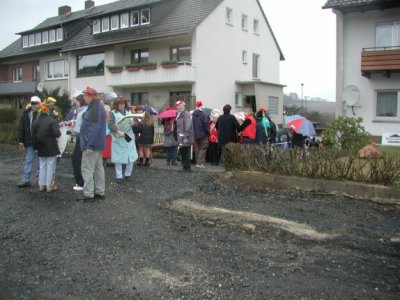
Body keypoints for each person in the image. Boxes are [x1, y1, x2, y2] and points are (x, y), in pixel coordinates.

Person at [78, 86, 106, 202]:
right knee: (98, 168)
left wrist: (90, 145)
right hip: (96, 143)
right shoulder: (97, 106)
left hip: (91, 144)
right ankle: (100, 192)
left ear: (91, 96)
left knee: (87, 168)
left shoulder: (95, 108)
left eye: (85, 95)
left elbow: (95, 128)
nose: (84, 97)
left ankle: (88, 194)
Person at [31, 102, 61, 192]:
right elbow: (57, 134)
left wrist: (35, 147)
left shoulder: (36, 122)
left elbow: (33, 136)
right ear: (47, 111)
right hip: (51, 146)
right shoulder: (52, 121)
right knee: (51, 166)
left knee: (42, 166)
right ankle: (49, 186)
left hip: (40, 146)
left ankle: (42, 185)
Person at [108, 96, 138, 183]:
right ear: (116, 105)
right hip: (119, 137)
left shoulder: (129, 112)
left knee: (130, 156)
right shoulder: (113, 113)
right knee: (118, 157)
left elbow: (135, 122)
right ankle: (119, 176)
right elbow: (110, 125)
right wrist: (117, 131)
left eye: (123, 103)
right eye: (120, 104)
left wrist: (134, 123)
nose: (122, 105)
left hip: (129, 136)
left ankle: (128, 174)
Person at [17, 96, 41, 187]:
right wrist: (21, 140)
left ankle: (39, 180)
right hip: (29, 141)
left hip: (39, 142)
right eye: (33, 103)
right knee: (28, 160)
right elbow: (21, 127)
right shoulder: (26, 114)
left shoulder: (42, 113)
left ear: (39, 104)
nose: (34, 105)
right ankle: (26, 179)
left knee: (40, 161)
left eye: (36, 103)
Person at [70, 93, 87, 191]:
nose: (75, 102)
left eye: (76, 101)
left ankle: (81, 183)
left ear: (80, 101)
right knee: (78, 160)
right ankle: (80, 182)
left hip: (80, 137)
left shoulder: (83, 112)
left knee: (77, 160)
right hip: (77, 136)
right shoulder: (79, 111)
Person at [175, 100, 194, 172]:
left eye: (179, 105)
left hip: (185, 137)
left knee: (186, 153)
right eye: (177, 106)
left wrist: (186, 137)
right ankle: (185, 167)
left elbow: (188, 127)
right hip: (181, 137)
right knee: (183, 152)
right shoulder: (179, 114)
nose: (178, 107)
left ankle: (187, 168)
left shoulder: (186, 114)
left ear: (183, 106)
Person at [192, 100, 209, 169]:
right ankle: (200, 162)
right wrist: (207, 132)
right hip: (203, 134)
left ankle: (197, 162)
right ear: (201, 106)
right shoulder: (203, 114)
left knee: (197, 148)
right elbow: (205, 124)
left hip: (195, 134)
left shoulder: (193, 115)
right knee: (203, 148)